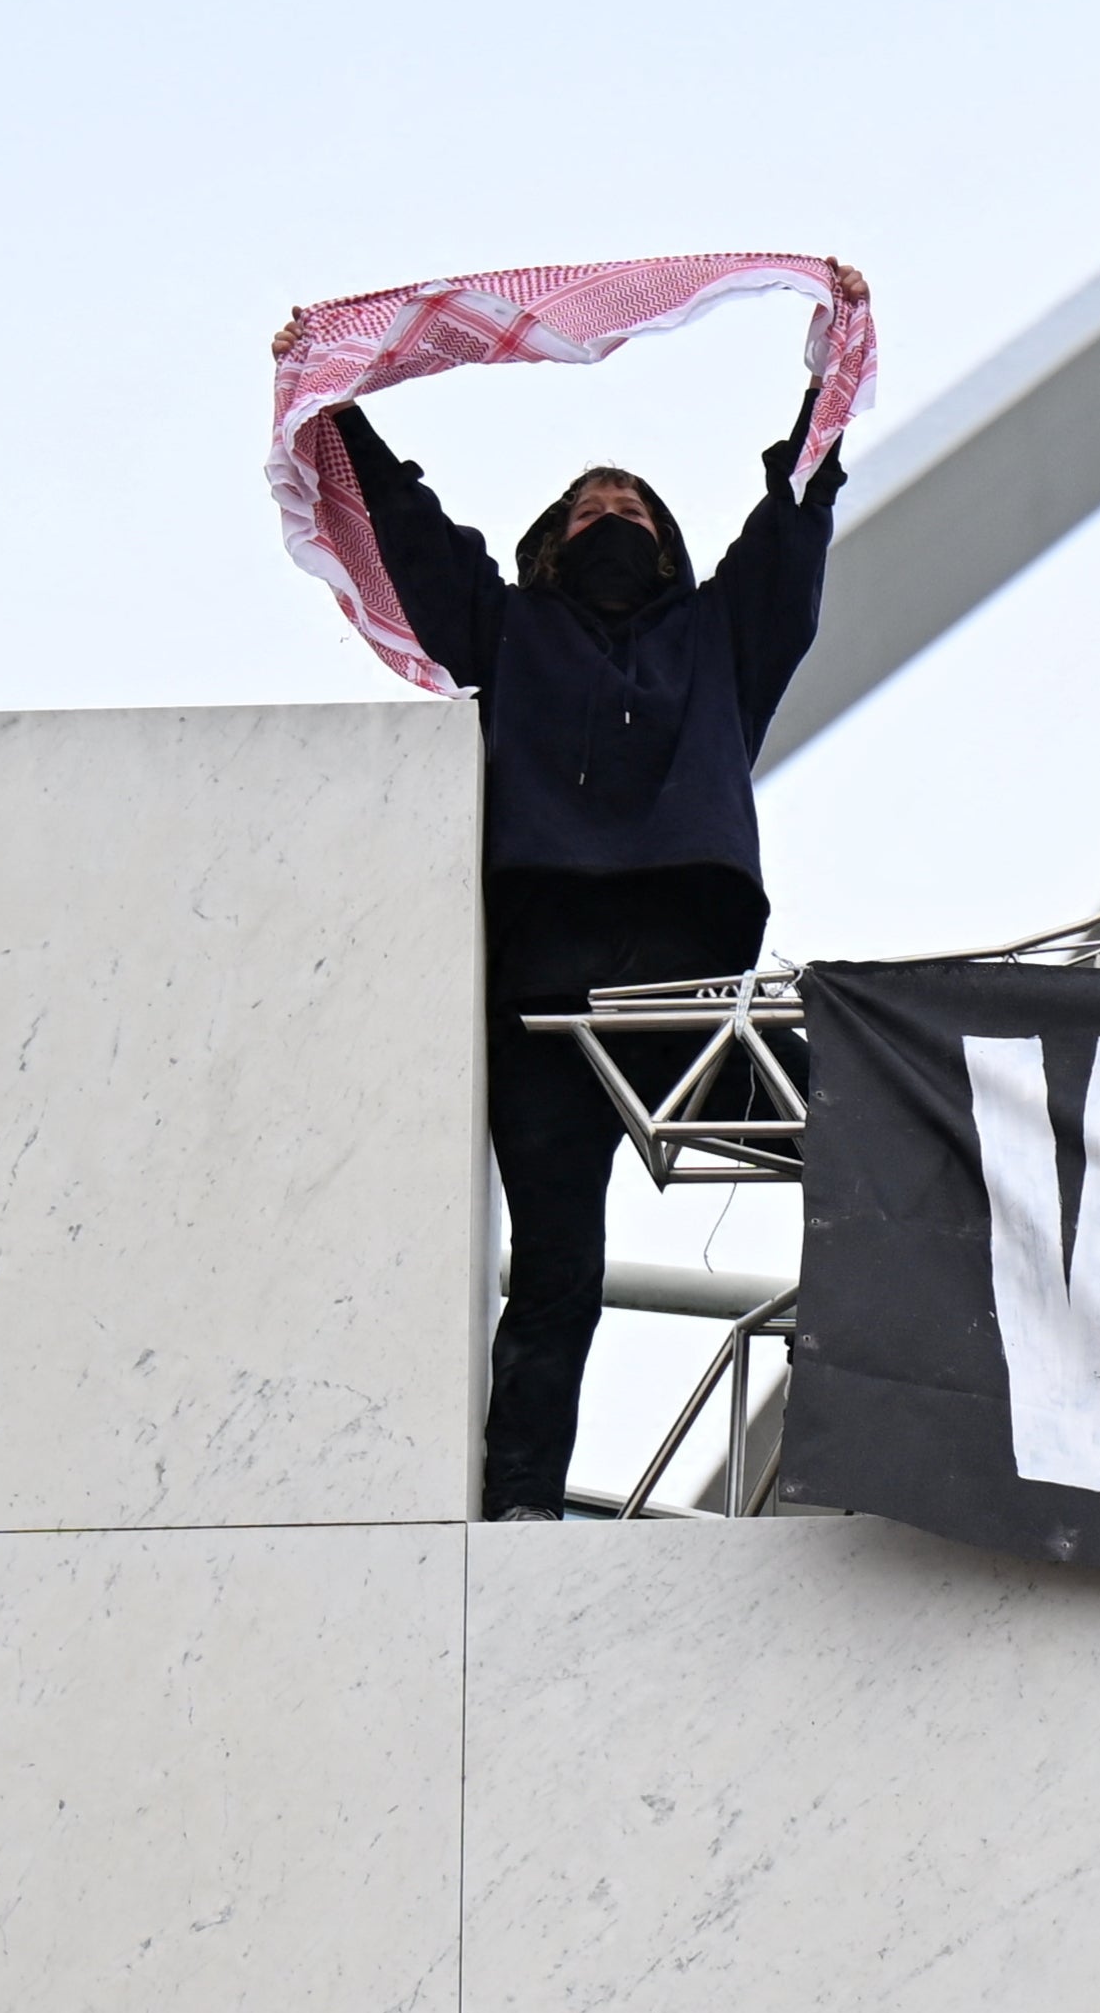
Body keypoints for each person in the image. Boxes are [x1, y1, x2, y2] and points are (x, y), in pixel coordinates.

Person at [329, 399, 846, 1513]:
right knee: (558, 1270)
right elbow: (420, 539)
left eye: (633, 509)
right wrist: (341, 414)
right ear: (553, 548)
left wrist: (827, 403)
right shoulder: (509, 630)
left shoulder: (718, 637)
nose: (611, 515)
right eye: (588, 510)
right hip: (544, 994)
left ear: (665, 548)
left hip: (679, 985)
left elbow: (790, 533)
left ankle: (879, 1423)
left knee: (861, 1151)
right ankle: (522, 1502)